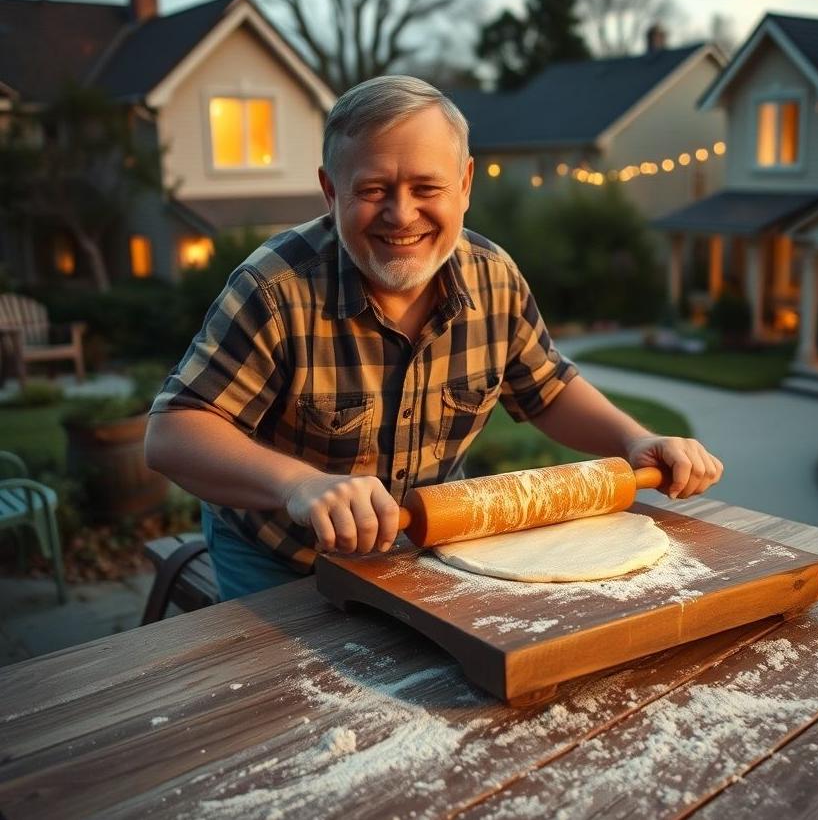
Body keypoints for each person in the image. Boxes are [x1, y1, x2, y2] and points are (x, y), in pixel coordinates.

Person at [145, 75, 723, 600]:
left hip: (428, 539)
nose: (401, 215)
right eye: (373, 190)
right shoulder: (273, 288)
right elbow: (172, 434)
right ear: (330, 190)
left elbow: (546, 388)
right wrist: (298, 486)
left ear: (465, 183)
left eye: (427, 187)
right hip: (280, 555)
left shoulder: (494, 277)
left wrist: (633, 439)